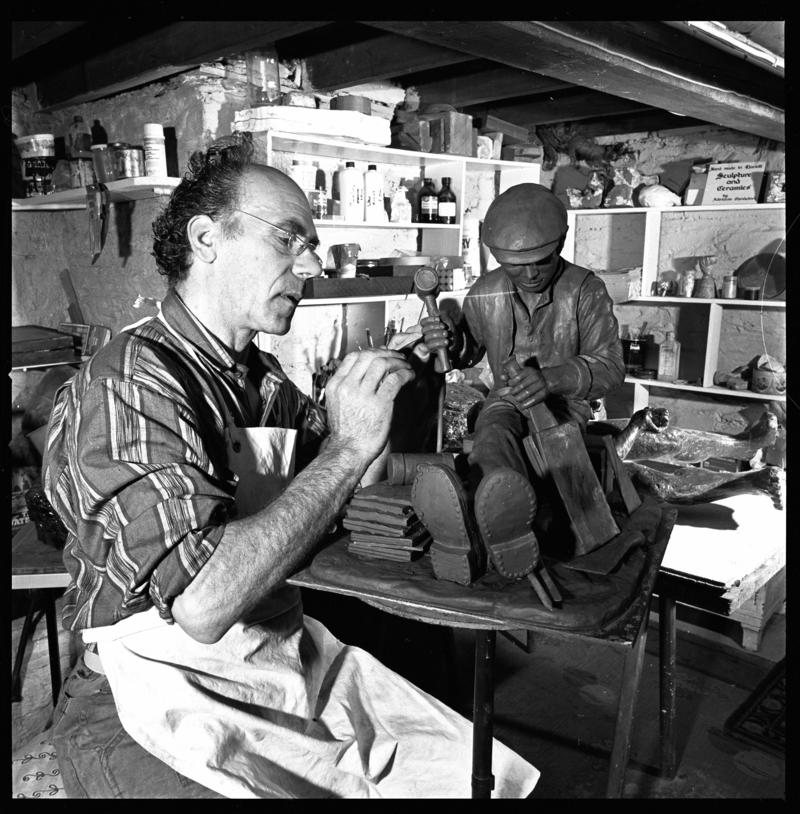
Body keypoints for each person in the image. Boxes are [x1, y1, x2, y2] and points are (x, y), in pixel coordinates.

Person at [42, 133, 539, 799]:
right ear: (206, 239)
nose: (309, 263)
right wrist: (346, 447)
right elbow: (203, 605)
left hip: (267, 657)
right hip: (149, 688)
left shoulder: (262, 379)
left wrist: (400, 396)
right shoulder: (132, 379)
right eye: (288, 238)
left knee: (464, 773)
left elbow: (338, 483)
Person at [414, 183, 625, 576]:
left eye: (541, 261)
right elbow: (467, 352)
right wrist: (449, 340)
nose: (529, 273)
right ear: (497, 256)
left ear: (560, 243)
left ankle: (527, 524)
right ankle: (501, 520)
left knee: (557, 455)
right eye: (515, 264)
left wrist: (552, 379)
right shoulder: (485, 292)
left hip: (564, 405)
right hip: (506, 399)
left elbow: (611, 366)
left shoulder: (584, 290)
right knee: (493, 433)